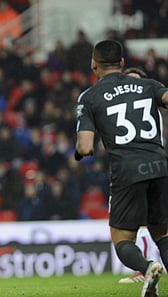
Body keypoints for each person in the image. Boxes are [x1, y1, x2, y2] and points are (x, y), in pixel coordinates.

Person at [75, 39, 168, 297]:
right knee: (162, 233)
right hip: (160, 165)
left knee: (123, 239)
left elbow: (85, 147)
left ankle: (148, 268)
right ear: (122, 63)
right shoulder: (148, 85)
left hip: (127, 170)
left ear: (94, 64)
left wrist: (79, 152)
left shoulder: (90, 96)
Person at [118, 66, 162, 284]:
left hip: (145, 169)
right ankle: (146, 268)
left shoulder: (150, 107)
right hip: (131, 171)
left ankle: (144, 269)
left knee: (146, 228)